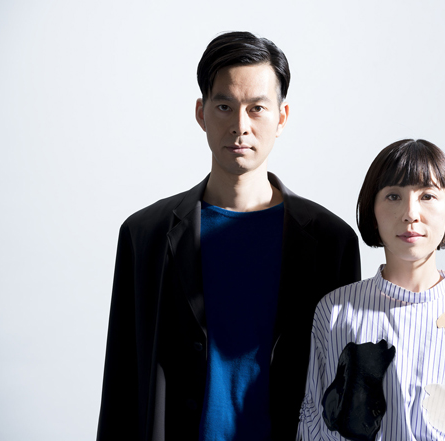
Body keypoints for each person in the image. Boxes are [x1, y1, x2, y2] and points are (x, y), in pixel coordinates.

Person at [97, 31, 361, 441]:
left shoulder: (330, 242)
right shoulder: (145, 235)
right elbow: (122, 385)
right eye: (224, 106)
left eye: (257, 108)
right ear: (201, 113)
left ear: (281, 117)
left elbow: (344, 390)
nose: (241, 126)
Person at [297, 139, 445, 440]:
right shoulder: (336, 311)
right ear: (372, 211)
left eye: (427, 196)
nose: (410, 213)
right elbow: (312, 425)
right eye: (393, 196)